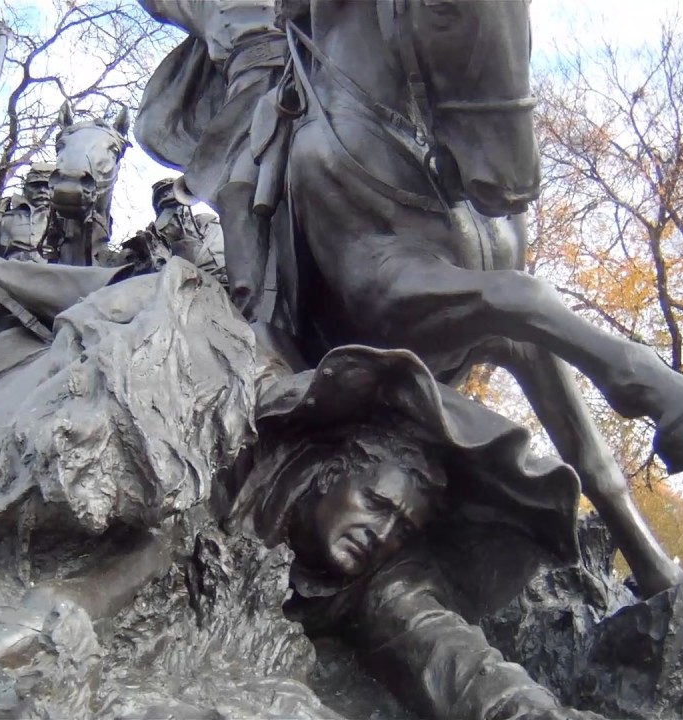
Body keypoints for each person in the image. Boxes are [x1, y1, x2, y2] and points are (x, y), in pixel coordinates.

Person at [223, 332, 602, 720]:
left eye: (402, 529)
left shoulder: (383, 579)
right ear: (332, 472)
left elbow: (449, 656)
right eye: (376, 504)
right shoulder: (231, 444)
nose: (382, 534)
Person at [134, 0, 290, 320]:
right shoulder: (205, 5)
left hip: (312, 71)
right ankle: (258, 308)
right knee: (240, 186)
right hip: (249, 98)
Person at [0, 163, 55, 262]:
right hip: (11, 273)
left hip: (48, 274)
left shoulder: (62, 222)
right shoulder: (5, 220)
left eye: (47, 186)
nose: (42, 190)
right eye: (35, 186)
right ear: (25, 189)